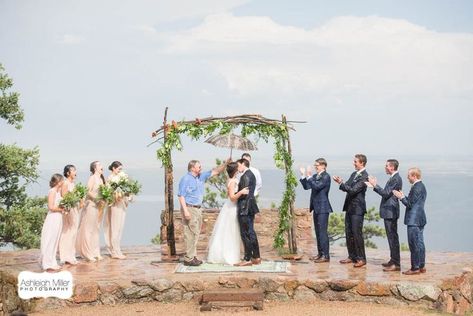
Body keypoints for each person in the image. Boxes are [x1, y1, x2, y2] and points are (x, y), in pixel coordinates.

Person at [178, 158, 230, 266]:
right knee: (190, 233)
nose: (201, 168)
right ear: (192, 168)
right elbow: (181, 196)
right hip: (190, 208)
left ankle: (192, 256)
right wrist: (185, 211)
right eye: (199, 166)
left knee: (195, 233)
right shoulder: (186, 179)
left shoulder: (201, 177)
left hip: (198, 209)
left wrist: (225, 163)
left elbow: (216, 171)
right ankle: (188, 259)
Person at [207, 162, 249, 265]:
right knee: (231, 231)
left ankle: (226, 254)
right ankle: (228, 255)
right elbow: (232, 197)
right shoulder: (233, 181)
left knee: (228, 231)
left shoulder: (229, 180)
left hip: (229, 207)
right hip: (232, 208)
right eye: (237, 167)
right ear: (235, 171)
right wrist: (241, 192)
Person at [333, 154, 369, 268]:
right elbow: (347, 185)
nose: (353, 163)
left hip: (358, 209)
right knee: (349, 233)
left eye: (355, 162)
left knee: (357, 233)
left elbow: (353, 190)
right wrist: (341, 181)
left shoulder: (365, 176)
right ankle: (352, 256)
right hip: (349, 208)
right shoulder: (354, 174)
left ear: (362, 163)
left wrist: (341, 184)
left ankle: (361, 258)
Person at [368, 159, 402, 272]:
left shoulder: (396, 178)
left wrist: (374, 185)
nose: (385, 167)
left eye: (386, 166)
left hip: (391, 211)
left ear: (392, 167)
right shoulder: (393, 178)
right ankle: (393, 260)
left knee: (393, 237)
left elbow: (386, 193)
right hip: (389, 211)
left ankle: (396, 263)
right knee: (391, 237)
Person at [393, 167, 427, 275]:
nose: (407, 177)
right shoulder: (421, 186)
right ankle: (421, 265)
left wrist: (400, 198)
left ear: (414, 176)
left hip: (414, 220)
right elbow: (414, 201)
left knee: (414, 244)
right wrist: (404, 196)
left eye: (409, 175)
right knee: (420, 243)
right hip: (420, 219)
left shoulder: (416, 187)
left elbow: (410, 204)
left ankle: (415, 267)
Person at [300, 158, 332, 263]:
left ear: (323, 166)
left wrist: (309, 177)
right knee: (318, 232)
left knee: (323, 232)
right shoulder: (315, 176)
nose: (315, 167)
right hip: (316, 207)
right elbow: (307, 186)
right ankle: (320, 253)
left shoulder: (326, 176)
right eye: (315, 165)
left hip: (323, 208)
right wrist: (303, 176)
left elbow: (317, 186)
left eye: (317, 165)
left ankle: (326, 255)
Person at [76, 161, 106, 262]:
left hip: (99, 207)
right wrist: (97, 198)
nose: (102, 166)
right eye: (99, 165)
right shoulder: (92, 178)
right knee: (88, 230)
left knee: (96, 229)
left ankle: (95, 252)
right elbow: (87, 191)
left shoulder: (101, 179)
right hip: (91, 206)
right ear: (95, 168)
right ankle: (87, 253)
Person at [235, 158, 261, 266]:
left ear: (243, 164)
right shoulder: (251, 174)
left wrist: (236, 192)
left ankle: (247, 258)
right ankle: (256, 256)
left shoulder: (245, 176)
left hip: (245, 207)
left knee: (245, 233)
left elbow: (244, 193)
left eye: (238, 165)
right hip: (250, 206)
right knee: (251, 232)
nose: (237, 168)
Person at [104, 161, 129, 259]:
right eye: (119, 169)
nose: (120, 171)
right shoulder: (110, 179)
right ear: (114, 168)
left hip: (121, 204)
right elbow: (108, 192)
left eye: (121, 169)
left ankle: (117, 249)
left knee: (120, 227)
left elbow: (125, 189)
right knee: (114, 228)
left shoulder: (122, 177)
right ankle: (114, 251)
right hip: (114, 205)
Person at [40, 174, 65, 272]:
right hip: (53, 218)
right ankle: (47, 263)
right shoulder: (52, 191)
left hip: (58, 217)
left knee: (55, 240)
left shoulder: (58, 192)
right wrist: (61, 209)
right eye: (62, 181)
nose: (63, 182)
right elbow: (51, 207)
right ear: (58, 182)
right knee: (50, 239)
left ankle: (52, 261)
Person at [59, 165, 81, 265]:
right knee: (69, 231)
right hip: (69, 209)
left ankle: (71, 254)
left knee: (73, 231)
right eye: (73, 170)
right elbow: (64, 197)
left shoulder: (73, 183)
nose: (75, 172)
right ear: (68, 173)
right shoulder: (65, 183)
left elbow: (76, 195)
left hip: (75, 208)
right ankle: (66, 255)